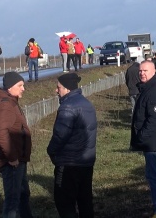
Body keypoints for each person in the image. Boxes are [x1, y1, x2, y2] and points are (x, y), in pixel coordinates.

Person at [47, 73, 97, 218]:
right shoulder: (87, 104)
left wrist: (51, 151)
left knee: (64, 203)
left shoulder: (68, 107)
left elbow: (60, 136)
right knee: (85, 201)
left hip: (69, 163)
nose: (56, 91)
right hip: (86, 162)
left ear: (67, 89)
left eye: (59, 88)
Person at [0, 71, 34, 218]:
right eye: (20, 85)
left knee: (23, 194)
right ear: (10, 87)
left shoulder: (9, 101)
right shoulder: (5, 105)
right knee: (12, 201)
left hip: (18, 160)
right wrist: (12, 158)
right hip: (12, 163)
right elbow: (0, 134)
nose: (23, 88)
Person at [130, 60, 156, 218]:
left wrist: (141, 136)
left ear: (154, 71)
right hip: (151, 140)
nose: (142, 73)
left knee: (153, 175)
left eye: (145, 70)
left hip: (153, 141)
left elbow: (154, 120)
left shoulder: (154, 90)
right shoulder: (148, 88)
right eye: (140, 71)